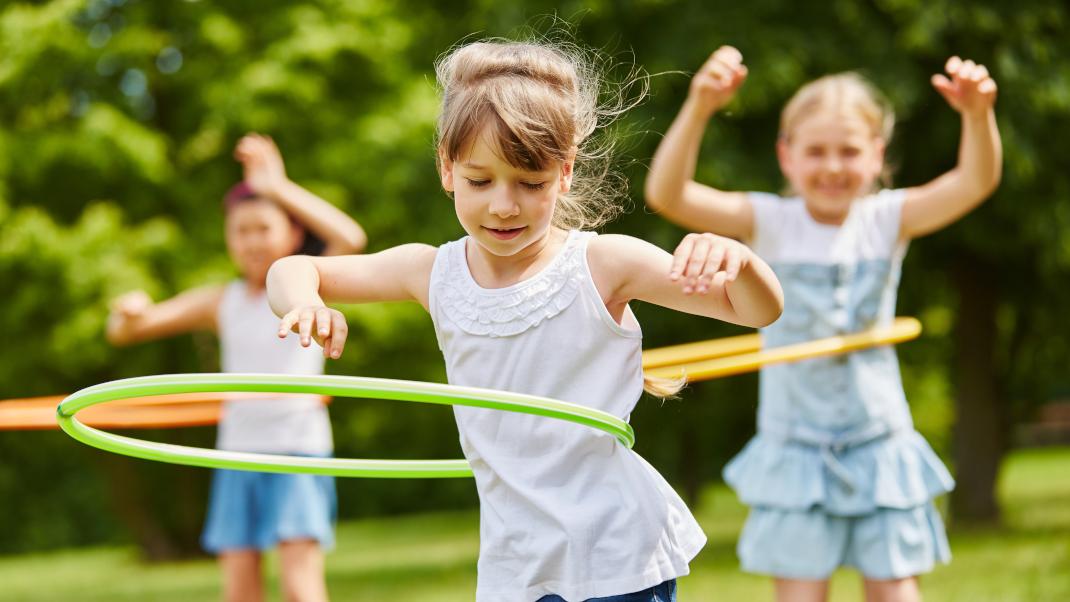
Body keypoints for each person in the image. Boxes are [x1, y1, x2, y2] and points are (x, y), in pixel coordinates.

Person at [265, 39, 783, 602]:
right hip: (516, 560)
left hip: (615, 553)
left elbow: (756, 310)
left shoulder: (605, 264)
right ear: (447, 167)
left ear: (563, 173)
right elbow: (293, 267)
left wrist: (742, 262)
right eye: (480, 181)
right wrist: (305, 302)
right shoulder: (431, 272)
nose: (503, 206)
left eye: (529, 183)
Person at [645, 46, 1001, 602]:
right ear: (786, 155)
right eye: (816, 152)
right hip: (795, 444)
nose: (832, 166)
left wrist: (978, 116)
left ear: (877, 155)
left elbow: (974, 182)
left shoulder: (886, 219)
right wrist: (700, 105)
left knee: (896, 592)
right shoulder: (768, 220)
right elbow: (667, 196)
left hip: (878, 440)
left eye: (849, 151)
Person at [107, 133, 366, 602]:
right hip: (235, 455)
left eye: (263, 228)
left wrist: (278, 185)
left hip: (296, 452)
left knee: (300, 588)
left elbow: (351, 237)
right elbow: (127, 332)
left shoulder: (307, 285)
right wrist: (127, 311)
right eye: (239, 231)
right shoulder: (219, 302)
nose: (250, 241)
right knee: (239, 592)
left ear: (291, 233)